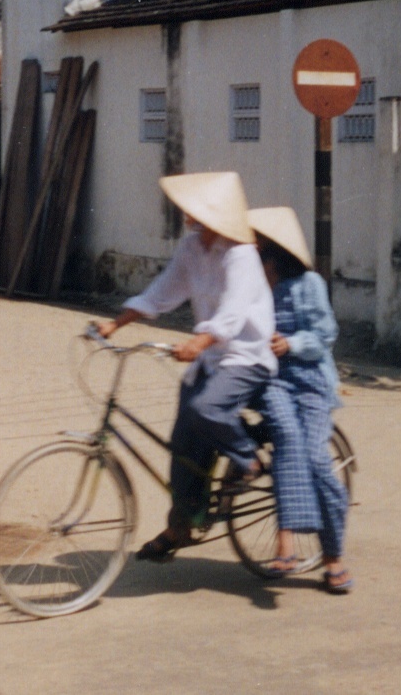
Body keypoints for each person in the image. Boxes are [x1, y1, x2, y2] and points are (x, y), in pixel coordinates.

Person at [92, 172, 302, 562]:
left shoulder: (240, 253)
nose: (187, 215)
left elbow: (233, 314)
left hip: (246, 357)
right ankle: (180, 526)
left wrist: (198, 341)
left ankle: (246, 459)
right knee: (184, 442)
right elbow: (163, 290)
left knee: (206, 409)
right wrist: (116, 324)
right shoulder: (192, 248)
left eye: (195, 210)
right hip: (211, 358)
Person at [249, 206, 351, 594]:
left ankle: (333, 557)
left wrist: (290, 342)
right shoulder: (253, 286)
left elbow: (325, 335)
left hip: (310, 380)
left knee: (314, 457)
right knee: (287, 440)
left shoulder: (308, 283)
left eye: (258, 250)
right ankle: (285, 546)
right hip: (272, 381)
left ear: (273, 252)